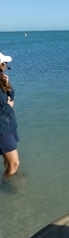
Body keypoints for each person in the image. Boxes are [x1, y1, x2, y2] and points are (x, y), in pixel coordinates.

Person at [0, 52, 20, 183]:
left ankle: (10, 179)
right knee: (14, 164)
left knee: (9, 162)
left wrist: (8, 85)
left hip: (9, 125)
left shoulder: (1, 78)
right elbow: (6, 105)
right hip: (2, 128)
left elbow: (10, 98)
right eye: (4, 63)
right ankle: (5, 186)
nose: (6, 65)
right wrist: (9, 106)